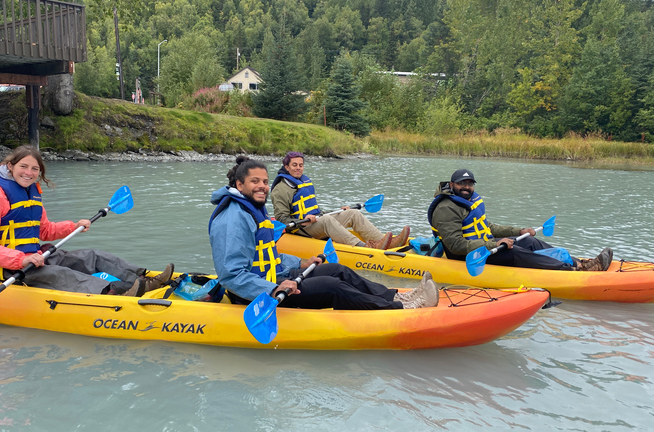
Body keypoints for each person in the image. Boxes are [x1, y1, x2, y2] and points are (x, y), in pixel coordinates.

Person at [208, 156, 438, 310]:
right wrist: (273, 289)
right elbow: (231, 275)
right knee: (331, 285)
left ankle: (395, 295)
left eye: (265, 181)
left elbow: (268, 254)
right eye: (255, 181)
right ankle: (400, 308)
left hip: (272, 278)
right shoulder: (233, 218)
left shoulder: (252, 208)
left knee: (337, 270)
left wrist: (301, 261)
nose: (263, 186)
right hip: (257, 293)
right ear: (239, 185)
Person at [0, 145, 173, 295]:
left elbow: (44, 231)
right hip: (8, 269)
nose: (29, 173)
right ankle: (115, 295)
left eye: (35, 169)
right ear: (10, 166)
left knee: (92, 256)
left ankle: (143, 280)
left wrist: (73, 226)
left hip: (36, 256)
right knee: (63, 274)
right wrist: (21, 260)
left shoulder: (30, 193)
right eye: (24, 166)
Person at [428, 169, 613, 271]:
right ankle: (570, 271)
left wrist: (519, 231)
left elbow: (488, 227)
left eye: (469, 184)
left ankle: (578, 262)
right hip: (466, 255)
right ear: (452, 185)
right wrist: (492, 245)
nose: (466, 187)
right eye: (462, 184)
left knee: (529, 240)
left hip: (486, 245)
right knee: (514, 251)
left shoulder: (469, 200)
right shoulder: (446, 208)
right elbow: (455, 245)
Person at [270, 151, 410, 250]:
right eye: (294, 165)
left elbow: (315, 210)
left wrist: (336, 211)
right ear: (287, 167)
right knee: (327, 220)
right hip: (300, 228)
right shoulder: (280, 189)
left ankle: (384, 241)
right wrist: (305, 220)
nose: (298, 168)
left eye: (301, 165)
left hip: (315, 222)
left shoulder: (303, 181)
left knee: (352, 213)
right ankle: (364, 248)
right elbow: (282, 220)